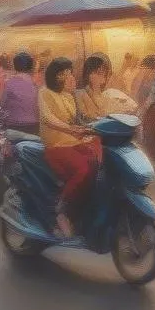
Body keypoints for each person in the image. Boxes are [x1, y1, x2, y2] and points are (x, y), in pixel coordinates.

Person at [39, 57, 98, 237]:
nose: (71, 77)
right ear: (56, 77)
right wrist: (70, 129)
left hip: (73, 142)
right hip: (56, 145)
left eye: (71, 73)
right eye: (66, 74)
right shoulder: (44, 93)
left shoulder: (69, 96)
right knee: (83, 169)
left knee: (99, 158)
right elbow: (49, 118)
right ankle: (62, 209)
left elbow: (77, 121)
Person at [75, 53, 137, 122]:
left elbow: (131, 107)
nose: (102, 75)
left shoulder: (108, 92)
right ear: (88, 74)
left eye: (103, 72)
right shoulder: (81, 93)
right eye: (98, 72)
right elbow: (91, 117)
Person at [0, 51, 40, 135]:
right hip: (34, 126)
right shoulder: (35, 84)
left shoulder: (9, 83)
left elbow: (2, 104)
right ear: (30, 66)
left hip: (14, 126)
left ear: (14, 66)